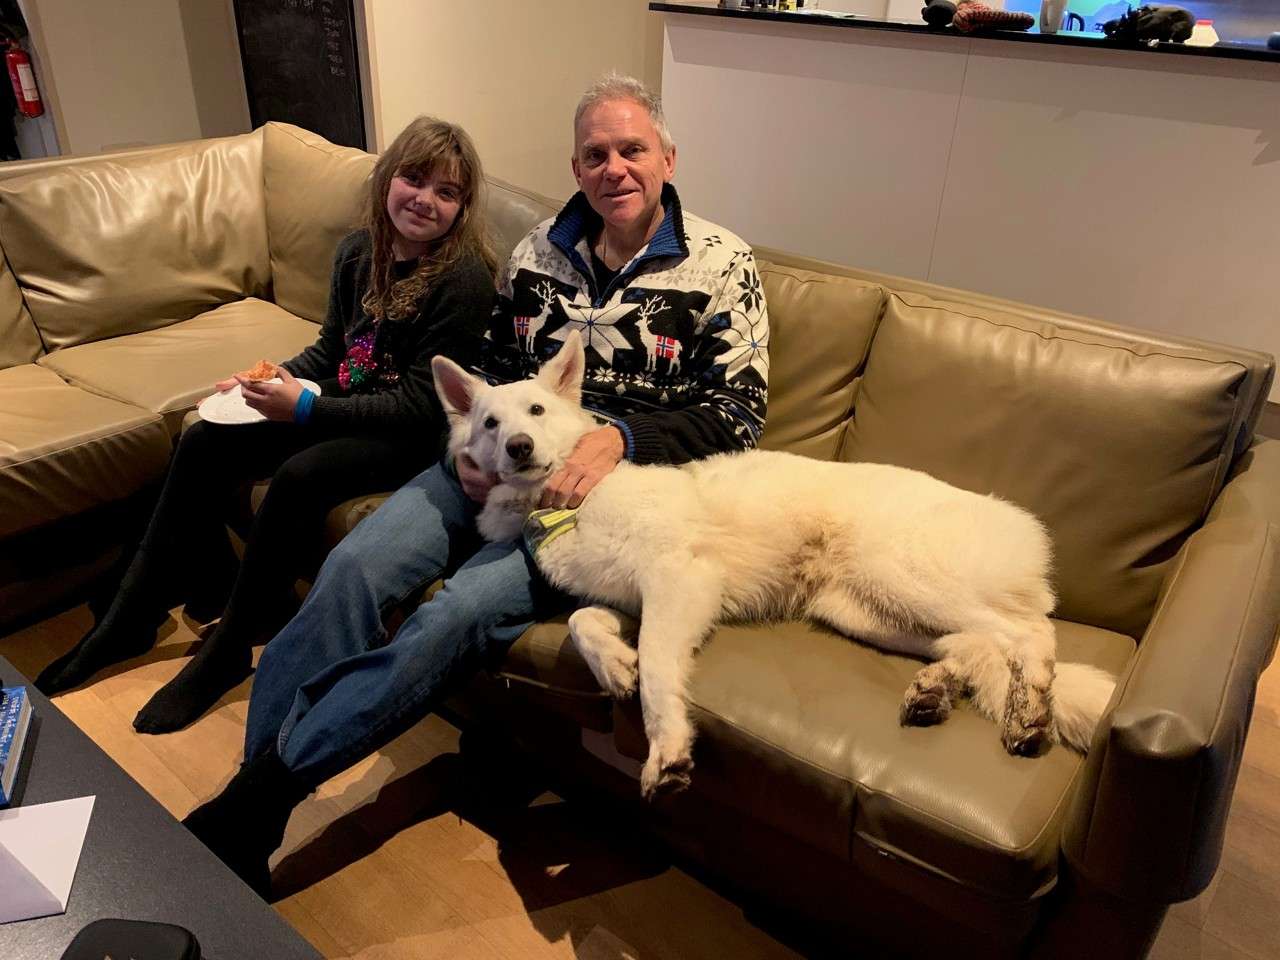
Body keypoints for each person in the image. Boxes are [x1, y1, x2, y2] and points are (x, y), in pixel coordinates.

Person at [181, 73, 770, 896]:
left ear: (667, 157)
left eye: (633, 150)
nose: (616, 168)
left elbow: (738, 415)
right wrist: (464, 443)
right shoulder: (537, 255)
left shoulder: (721, 262)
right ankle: (253, 805)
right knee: (353, 569)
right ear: (576, 167)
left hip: (586, 506)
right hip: (484, 468)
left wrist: (619, 435)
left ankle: (259, 798)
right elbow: (480, 378)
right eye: (596, 154)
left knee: (453, 612)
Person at [35, 117, 499, 738]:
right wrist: (267, 380)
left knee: (302, 475)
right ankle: (134, 614)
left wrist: (304, 408)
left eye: (448, 193)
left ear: (462, 209)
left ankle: (228, 651)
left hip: (412, 437)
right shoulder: (359, 252)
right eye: (414, 178)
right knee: (203, 435)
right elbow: (334, 353)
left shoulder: (462, 280)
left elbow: (421, 405)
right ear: (387, 178)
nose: (425, 199)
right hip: (351, 402)